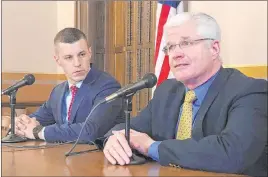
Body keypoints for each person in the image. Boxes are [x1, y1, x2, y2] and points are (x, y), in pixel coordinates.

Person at [102, 12, 267, 176]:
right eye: (170, 47)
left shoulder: (249, 91)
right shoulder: (167, 91)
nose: (176, 54)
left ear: (214, 48)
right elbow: (130, 128)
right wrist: (113, 138)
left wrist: (151, 147)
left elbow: (232, 153)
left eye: (186, 43)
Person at [14, 27, 124, 143]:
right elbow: (38, 119)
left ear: (89, 53)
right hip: (61, 156)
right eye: (69, 57)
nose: (77, 63)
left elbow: (90, 131)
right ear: (57, 60)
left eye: (82, 54)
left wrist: (39, 132)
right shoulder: (58, 91)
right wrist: (21, 124)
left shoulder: (108, 86)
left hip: (97, 158)